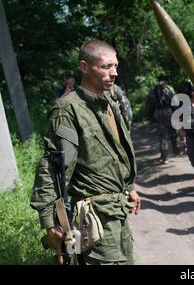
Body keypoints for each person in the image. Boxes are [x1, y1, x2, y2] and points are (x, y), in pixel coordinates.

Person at [30, 40, 140, 265]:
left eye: (115, 66)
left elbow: (115, 153)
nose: (114, 73)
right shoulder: (67, 110)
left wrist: (129, 187)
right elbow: (53, 168)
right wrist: (51, 222)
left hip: (117, 212)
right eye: (106, 67)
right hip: (94, 219)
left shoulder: (109, 102)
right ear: (84, 67)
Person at [152, 75, 180, 164]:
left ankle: (165, 157)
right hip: (169, 113)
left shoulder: (154, 89)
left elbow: (150, 103)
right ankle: (176, 151)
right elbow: (175, 102)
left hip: (159, 114)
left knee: (162, 136)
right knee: (173, 133)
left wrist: (152, 116)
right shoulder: (169, 88)